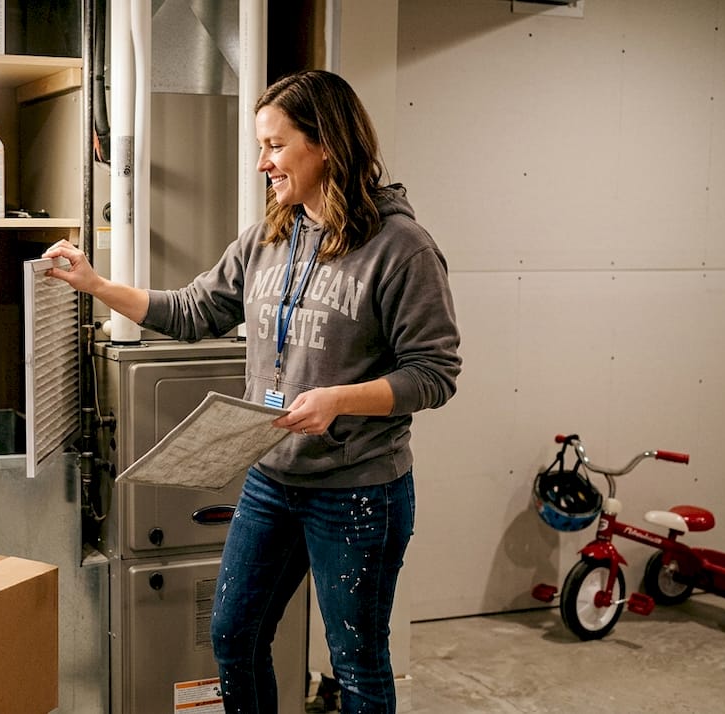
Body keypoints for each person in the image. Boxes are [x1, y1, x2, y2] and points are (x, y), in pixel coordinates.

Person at [43, 69, 461, 713]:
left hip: (359, 492)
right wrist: (98, 285)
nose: (263, 162)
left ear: (326, 144)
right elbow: (190, 311)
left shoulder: (400, 249)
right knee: (233, 635)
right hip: (272, 480)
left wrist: (338, 400)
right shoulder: (269, 237)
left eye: (275, 145)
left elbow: (434, 373)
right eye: (261, 146)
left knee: (358, 663)